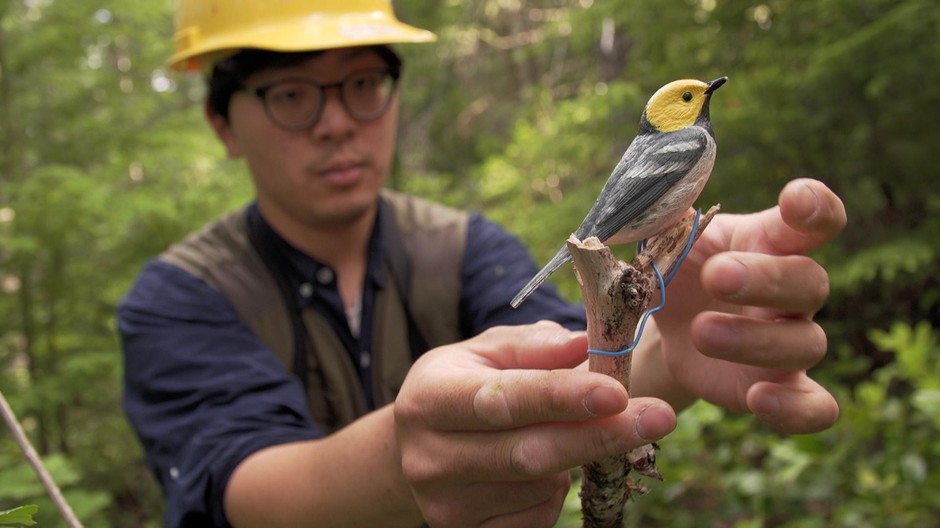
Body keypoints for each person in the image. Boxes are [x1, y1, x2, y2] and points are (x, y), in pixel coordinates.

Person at [118, 1, 847, 527]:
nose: (336, 121)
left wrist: (664, 342)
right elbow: (243, 491)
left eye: (363, 85)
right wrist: (404, 457)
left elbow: (571, 370)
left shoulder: (466, 248)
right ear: (222, 121)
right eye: (289, 94)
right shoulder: (180, 297)